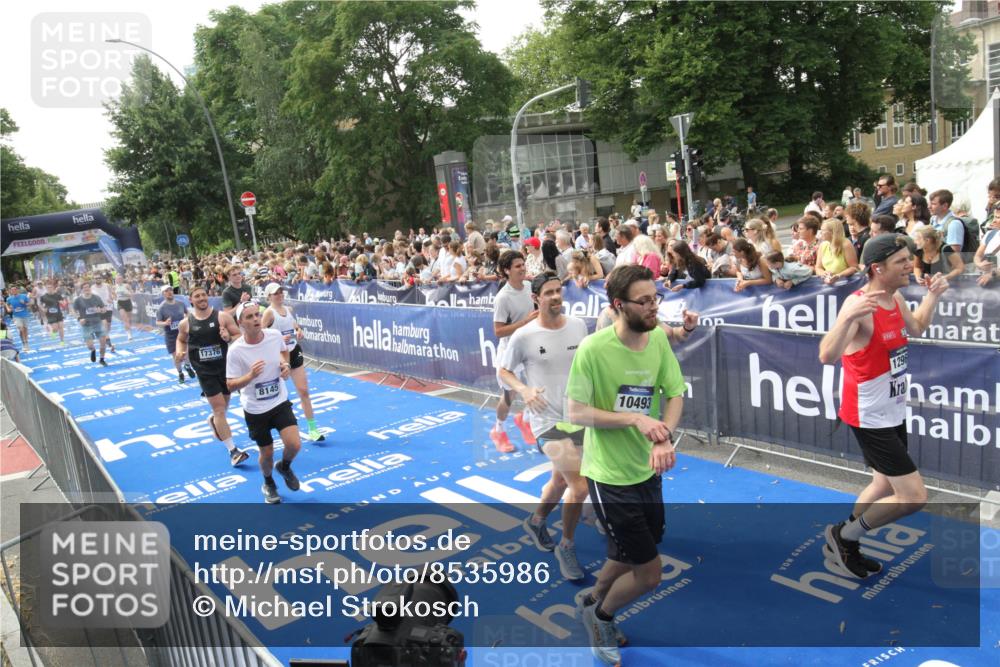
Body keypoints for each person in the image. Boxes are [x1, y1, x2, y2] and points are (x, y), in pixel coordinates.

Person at [567, 265, 686, 666]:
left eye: (657, 298)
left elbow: (674, 394)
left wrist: (664, 436)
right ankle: (600, 617)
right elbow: (576, 411)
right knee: (650, 573)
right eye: (645, 301)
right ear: (619, 305)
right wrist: (636, 419)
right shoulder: (593, 349)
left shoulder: (657, 341)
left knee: (633, 547)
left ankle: (595, 593)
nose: (654, 307)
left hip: (647, 470)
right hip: (608, 475)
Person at [818, 234, 949, 579]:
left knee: (883, 486)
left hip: (891, 410)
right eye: (902, 261)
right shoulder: (859, 305)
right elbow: (827, 355)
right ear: (877, 268)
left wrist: (933, 296)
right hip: (868, 415)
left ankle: (845, 541)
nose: (910, 265)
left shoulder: (895, 298)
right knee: (912, 497)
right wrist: (847, 320)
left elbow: (917, 326)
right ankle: (845, 535)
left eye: (909, 259)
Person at [499, 272, 591, 581]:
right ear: (536, 299)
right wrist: (523, 390)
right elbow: (504, 371)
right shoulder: (524, 336)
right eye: (548, 293)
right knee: (580, 487)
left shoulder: (578, 326)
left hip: (579, 416)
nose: (555, 297)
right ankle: (567, 544)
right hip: (546, 420)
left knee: (561, 482)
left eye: (558, 291)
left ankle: (537, 521)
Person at [226, 302, 302, 504]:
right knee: (266, 453)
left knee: (294, 444)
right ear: (240, 322)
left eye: (257, 315)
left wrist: (285, 365)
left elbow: (284, 351)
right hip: (255, 409)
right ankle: (268, 482)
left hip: (279, 401)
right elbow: (230, 385)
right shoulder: (235, 351)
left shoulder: (274, 336)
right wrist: (250, 376)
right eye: (249, 317)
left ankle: (284, 467)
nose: (256, 319)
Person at [175, 284, 249, 468]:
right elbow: (180, 339)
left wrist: (227, 338)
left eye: (203, 295)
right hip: (204, 371)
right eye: (197, 296)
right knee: (219, 410)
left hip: (225, 368)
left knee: (222, 409)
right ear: (191, 300)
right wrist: (179, 351)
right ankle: (233, 451)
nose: (201, 298)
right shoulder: (187, 323)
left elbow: (239, 335)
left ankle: (213, 421)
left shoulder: (221, 317)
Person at [261, 282, 325, 442]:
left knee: (303, 391)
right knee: (274, 396)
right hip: (277, 356)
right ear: (269, 297)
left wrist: (299, 331)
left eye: (281, 292)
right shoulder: (269, 313)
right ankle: (266, 431)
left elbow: (295, 326)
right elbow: (261, 335)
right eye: (276, 293)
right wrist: (278, 338)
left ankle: (313, 429)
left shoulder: (288, 310)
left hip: (294, 352)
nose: (280, 295)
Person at [490, 251, 538, 453]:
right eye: (517, 266)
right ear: (507, 271)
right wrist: (524, 322)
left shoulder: (529, 287)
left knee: (540, 386)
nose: (522, 268)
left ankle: (524, 419)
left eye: (523, 264)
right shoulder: (503, 298)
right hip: (509, 351)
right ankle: (498, 431)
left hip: (530, 347)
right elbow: (498, 331)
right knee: (509, 397)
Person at [156, 285, 195, 384]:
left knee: (186, 352)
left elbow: (188, 314)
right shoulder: (162, 308)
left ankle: (187, 366)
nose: (169, 292)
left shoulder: (180, 303)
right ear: (163, 294)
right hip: (170, 335)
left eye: (170, 290)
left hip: (182, 333)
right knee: (176, 356)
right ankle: (180, 373)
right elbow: (157, 322)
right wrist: (165, 323)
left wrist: (187, 319)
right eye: (166, 291)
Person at [72, 282, 109, 366]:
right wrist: (79, 318)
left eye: (88, 287)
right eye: (84, 288)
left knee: (103, 343)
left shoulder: (96, 298)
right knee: (89, 346)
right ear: (82, 290)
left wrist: (102, 310)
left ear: (90, 288)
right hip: (86, 325)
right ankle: (93, 350)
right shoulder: (78, 300)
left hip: (98, 323)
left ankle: (102, 359)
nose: (86, 289)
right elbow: (73, 311)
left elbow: (104, 309)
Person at [815, 218, 859, 284]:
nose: (820, 233)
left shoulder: (846, 244)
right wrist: (823, 274)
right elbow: (818, 267)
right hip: (829, 283)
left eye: (823, 230)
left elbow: (854, 267)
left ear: (832, 232)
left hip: (846, 283)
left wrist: (838, 275)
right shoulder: (823, 245)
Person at [928, 189, 963, 254]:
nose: (929, 206)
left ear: (945, 206)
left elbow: (954, 253)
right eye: (929, 203)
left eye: (933, 204)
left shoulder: (954, 224)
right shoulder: (933, 219)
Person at [39, 279, 67, 345]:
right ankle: (51, 331)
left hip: (58, 313)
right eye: (48, 287)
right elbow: (40, 304)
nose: (49, 289)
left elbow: (64, 302)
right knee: (55, 328)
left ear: (53, 288)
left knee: (61, 326)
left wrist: (62, 303)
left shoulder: (57, 295)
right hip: (50, 314)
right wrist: (43, 309)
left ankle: (62, 341)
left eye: (51, 287)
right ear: (46, 288)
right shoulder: (44, 297)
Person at [4, 285, 32, 352]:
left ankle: (26, 343)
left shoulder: (23, 296)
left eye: (15, 289)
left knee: (25, 329)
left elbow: (30, 303)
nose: (13, 291)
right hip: (16, 316)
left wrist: (24, 303)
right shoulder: (9, 299)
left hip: (25, 315)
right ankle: (24, 343)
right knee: (21, 329)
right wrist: (8, 309)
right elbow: (6, 304)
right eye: (12, 290)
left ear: (17, 290)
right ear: (10, 291)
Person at [114, 274, 135, 341]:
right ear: (116, 280)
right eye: (118, 279)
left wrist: (128, 294)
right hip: (120, 303)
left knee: (129, 319)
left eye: (120, 278)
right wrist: (114, 298)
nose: (119, 280)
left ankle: (129, 329)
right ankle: (129, 334)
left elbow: (132, 293)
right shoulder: (114, 287)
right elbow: (113, 296)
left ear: (122, 279)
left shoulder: (126, 285)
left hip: (128, 302)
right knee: (125, 319)